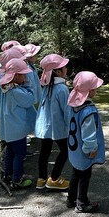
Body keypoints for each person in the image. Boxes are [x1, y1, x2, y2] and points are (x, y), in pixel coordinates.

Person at [67, 71, 105, 213]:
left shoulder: (73, 106)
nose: (96, 90)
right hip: (83, 150)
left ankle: (71, 198)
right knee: (84, 175)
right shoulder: (88, 111)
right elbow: (88, 134)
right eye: (94, 88)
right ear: (89, 91)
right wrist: (91, 149)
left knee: (76, 172)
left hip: (74, 148)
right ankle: (82, 202)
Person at [0, 58, 36, 189]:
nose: (25, 76)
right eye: (23, 74)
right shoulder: (16, 91)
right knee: (20, 154)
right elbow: (30, 100)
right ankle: (17, 179)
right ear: (15, 76)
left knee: (10, 153)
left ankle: (8, 174)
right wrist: (28, 86)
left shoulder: (8, 88)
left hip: (10, 128)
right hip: (17, 129)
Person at [35, 53, 71, 191]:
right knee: (65, 150)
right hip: (58, 127)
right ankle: (54, 178)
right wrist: (71, 127)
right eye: (64, 66)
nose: (66, 69)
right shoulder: (62, 88)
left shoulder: (47, 86)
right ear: (57, 71)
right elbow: (67, 111)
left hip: (45, 126)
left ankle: (41, 179)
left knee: (44, 151)